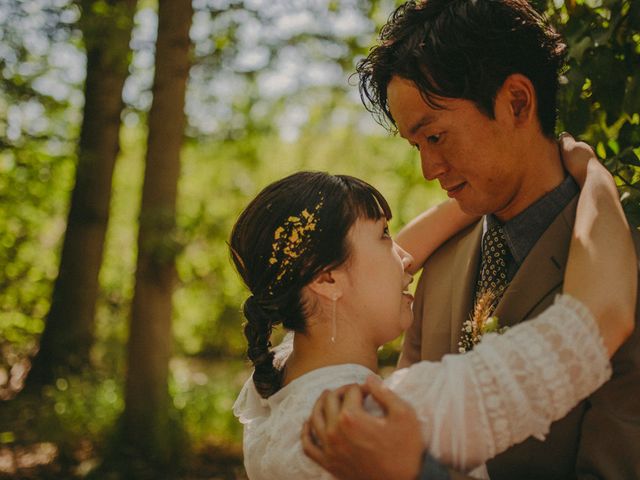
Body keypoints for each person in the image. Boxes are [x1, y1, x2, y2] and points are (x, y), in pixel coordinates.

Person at [304, 1, 640, 479]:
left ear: (517, 102)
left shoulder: (626, 274)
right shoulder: (437, 267)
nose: (427, 169)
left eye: (436, 137)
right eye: (416, 147)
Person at [230, 138, 635, 479]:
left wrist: (487, 189)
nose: (404, 258)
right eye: (384, 235)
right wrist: (594, 175)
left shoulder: (278, 380)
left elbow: (382, 266)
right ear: (327, 279)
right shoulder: (388, 416)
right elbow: (595, 322)